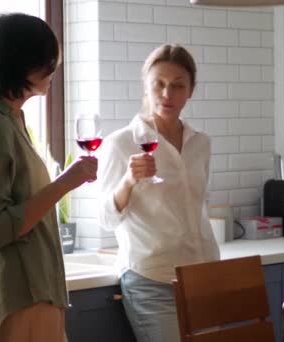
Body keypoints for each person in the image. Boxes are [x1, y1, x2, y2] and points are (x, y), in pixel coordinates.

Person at [0, 13, 97, 341]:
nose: (54, 68)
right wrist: (65, 183)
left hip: (30, 291)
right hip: (18, 294)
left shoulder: (9, 121)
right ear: (24, 65)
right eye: (48, 61)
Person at [97, 43, 219, 342]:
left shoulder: (200, 143)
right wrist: (128, 180)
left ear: (191, 90)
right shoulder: (121, 144)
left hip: (202, 274)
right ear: (147, 87)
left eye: (178, 85)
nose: (167, 94)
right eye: (159, 85)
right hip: (153, 278)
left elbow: (199, 205)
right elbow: (105, 218)